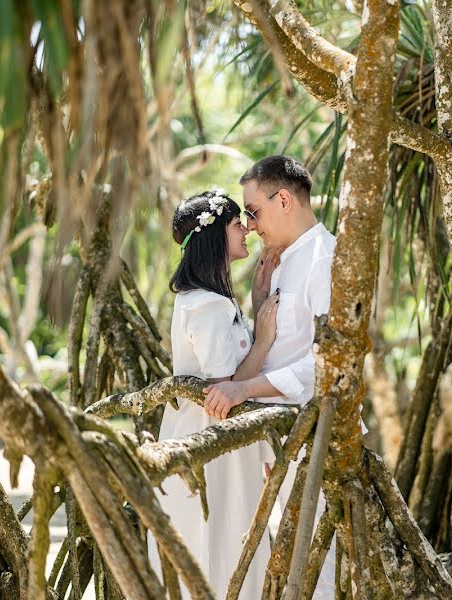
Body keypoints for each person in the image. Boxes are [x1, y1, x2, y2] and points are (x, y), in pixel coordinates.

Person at [203, 156, 358, 599]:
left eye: (252, 211)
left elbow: (330, 364)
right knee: (293, 564)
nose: (248, 225)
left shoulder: (325, 260)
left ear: (284, 199)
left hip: (317, 439)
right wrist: (257, 301)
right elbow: (279, 344)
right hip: (283, 437)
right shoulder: (284, 259)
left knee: (318, 569)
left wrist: (244, 388)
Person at [147, 190, 280, 599]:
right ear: (214, 236)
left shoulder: (208, 300)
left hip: (219, 442)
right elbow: (227, 388)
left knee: (225, 539)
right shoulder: (206, 306)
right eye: (237, 224)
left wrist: (257, 298)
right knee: (217, 541)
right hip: (213, 444)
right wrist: (263, 340)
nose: (246, 230)